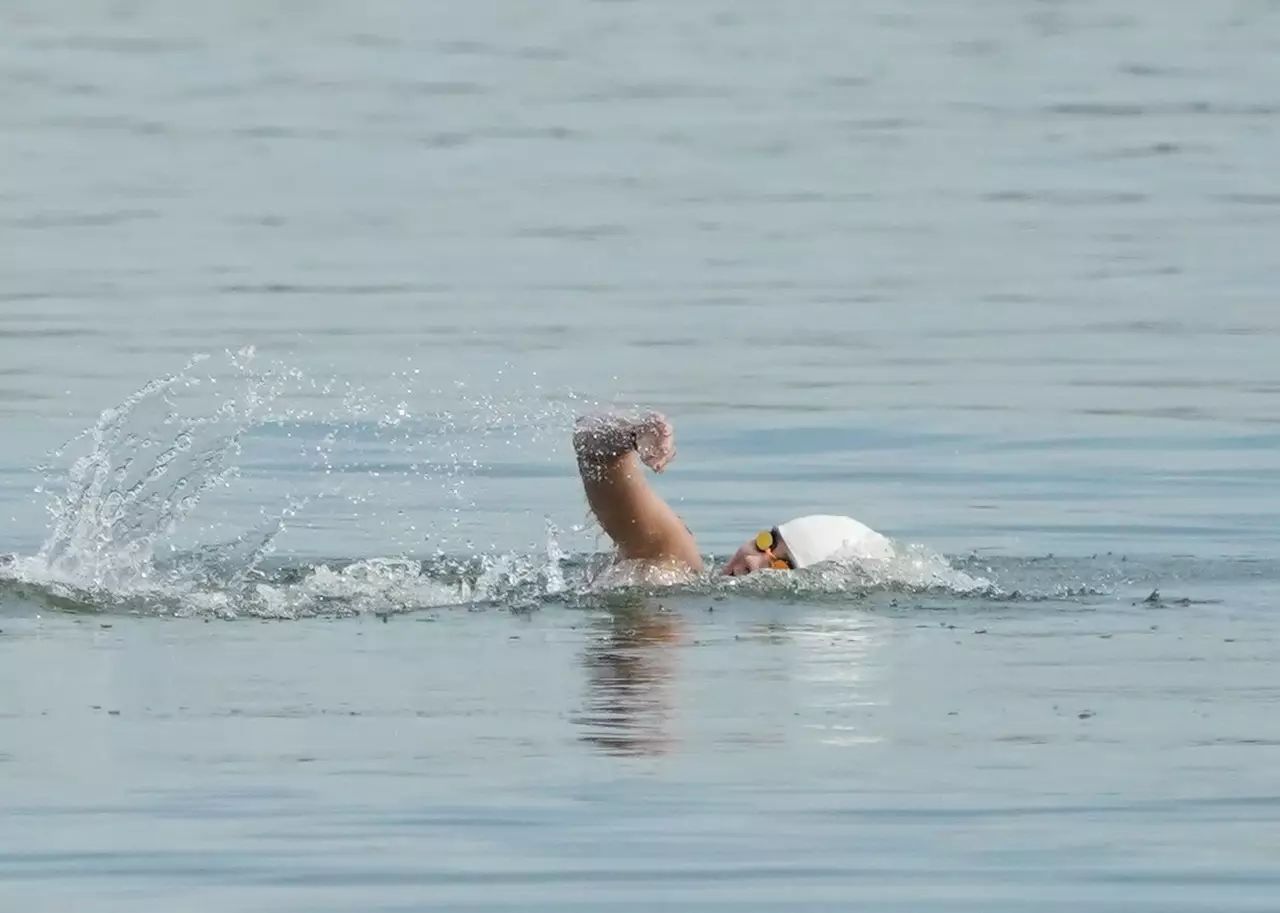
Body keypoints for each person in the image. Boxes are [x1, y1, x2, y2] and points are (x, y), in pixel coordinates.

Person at [573, 412, 894, 576]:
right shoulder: (674, 563)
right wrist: (634, 432)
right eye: (766, 541)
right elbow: (589, 440)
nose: (753, 560)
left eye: (782, 566)